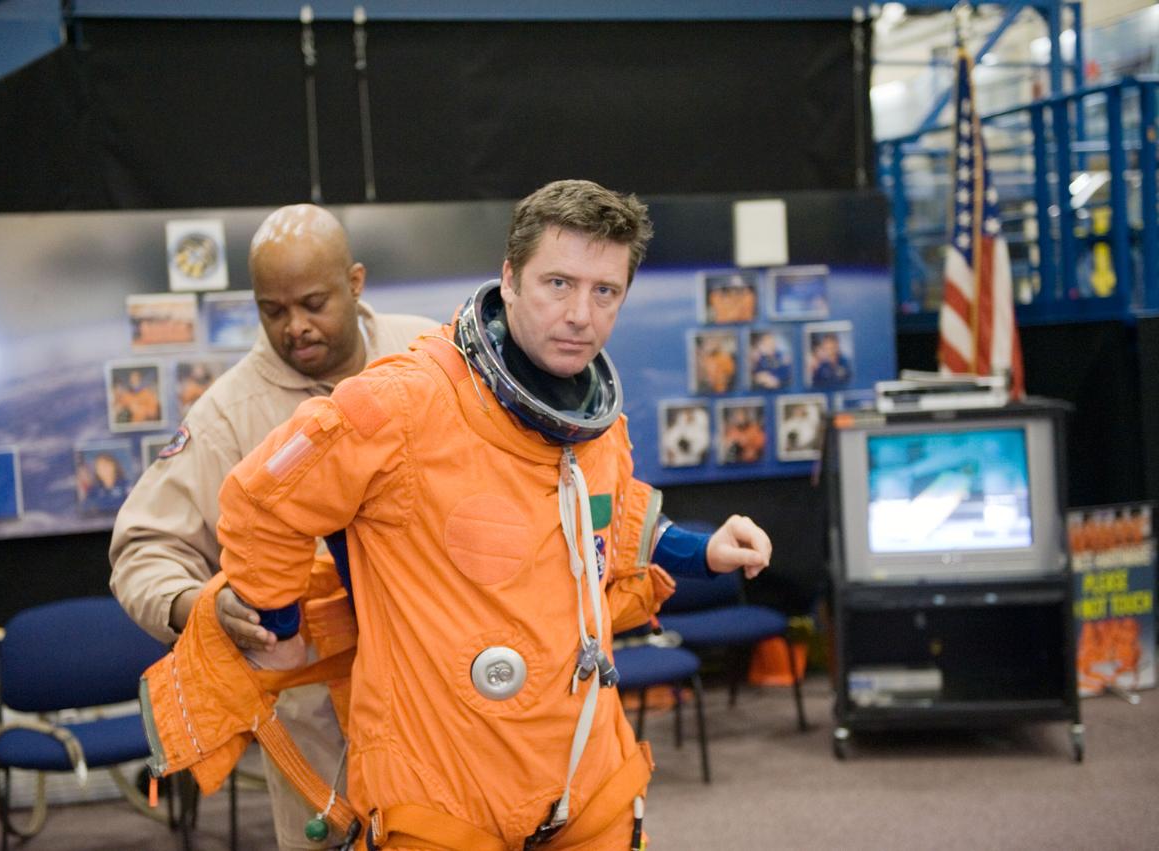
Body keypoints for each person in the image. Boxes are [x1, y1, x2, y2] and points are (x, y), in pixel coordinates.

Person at [215, 180, 772, 849]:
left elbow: (607, 518)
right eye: (557, 283)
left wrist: (702, 549)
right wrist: (278, 621)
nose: (580, 315)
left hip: (581, 770)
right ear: (509, 279)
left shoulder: (591, 420)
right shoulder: (402, 403)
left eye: (606, 291)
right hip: (443, 783)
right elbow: (262, 497)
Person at [109, 204, 435, 851]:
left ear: (356, 281)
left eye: (314, 303)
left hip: (444, 684)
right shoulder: (229, 414)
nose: (296, 327)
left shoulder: (430, 357)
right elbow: (143, 549)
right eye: (273, 311)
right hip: (319, 717)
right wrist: (201, 604)